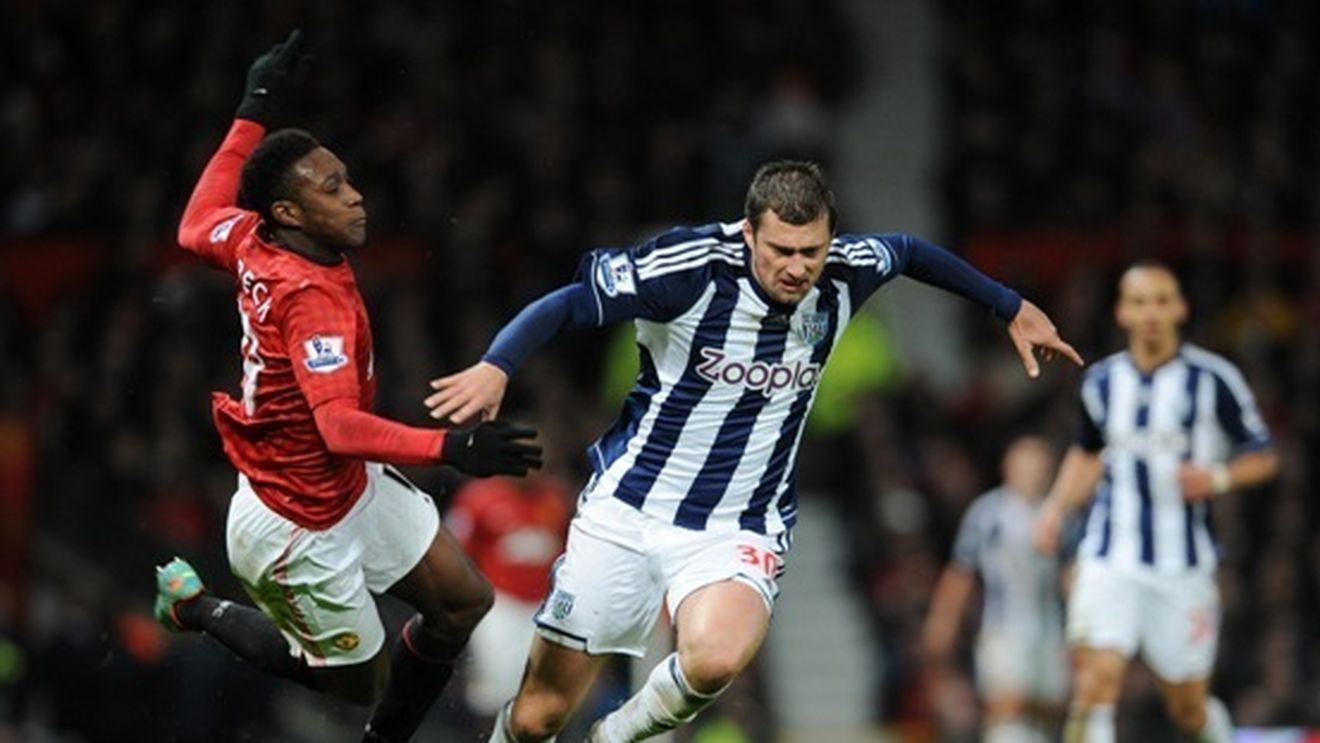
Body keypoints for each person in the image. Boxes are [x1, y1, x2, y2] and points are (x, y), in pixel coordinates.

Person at [424, 160, 1083, 743]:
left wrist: (1010, 305)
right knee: (539, 714)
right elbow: (571, 302)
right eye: (781, 250)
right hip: (626, 510)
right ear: (749, 234)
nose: (798, 266)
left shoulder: (845, 273)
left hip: (737, 521)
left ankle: (616, 735)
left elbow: (908, 250)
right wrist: (497, 365)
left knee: (715, 656)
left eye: (812, 250)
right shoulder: (689, 270)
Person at [151, 31, 543, 743]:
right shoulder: (310, 297)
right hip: (293, 522)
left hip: (345, 485)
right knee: (359, 682)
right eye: (331, 189)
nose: (355, 196)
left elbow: (191, 225)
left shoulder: (250, 236)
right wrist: (451, 445)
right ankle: (195, 607)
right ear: (289, 215)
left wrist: (253, 107)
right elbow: (337, 424)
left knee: (462, 602)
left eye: (346, 177)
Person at [1032, 262, 1279, 743]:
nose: (1151, 313)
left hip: (1182, 565)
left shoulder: (1214, 380)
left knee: (1186, 707)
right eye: (1140, 302)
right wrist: (1054, 510)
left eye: (1162, 301)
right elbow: (1086, 455)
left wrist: (1219, 476)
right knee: (1094, 680)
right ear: (1123, 312)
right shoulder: (1101, 382)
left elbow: (1264, 455)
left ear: (1180, 309)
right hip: (1109, 555)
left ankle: (1217, 732)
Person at [922, 435, 1068, 743]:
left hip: (1051, 632)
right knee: (1008, 716)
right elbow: (961, 573)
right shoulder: (987, 514)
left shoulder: (1058, 514)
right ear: (1008, 468)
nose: (1030, 472)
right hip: (1003, 630)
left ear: (1049, 470)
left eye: (1037, 464)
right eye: (1023, 464)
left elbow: (1070, 576)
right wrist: (943, 622)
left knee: (1054, 712)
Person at [445, 471, 574, 723]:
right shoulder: (478, 497)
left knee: (538, 694)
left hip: (543, 608)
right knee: (495, 689)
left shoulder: (556, 499)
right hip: (499, 605)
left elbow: (570, 552)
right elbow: (454, 548)